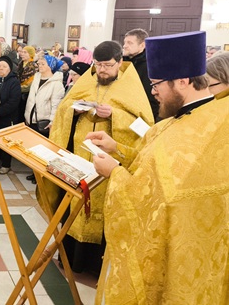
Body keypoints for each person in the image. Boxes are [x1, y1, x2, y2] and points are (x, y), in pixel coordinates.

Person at [87, 31, 229, 305]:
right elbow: (153, 166)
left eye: (156, 85)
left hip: (182, 258)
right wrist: (117, 149)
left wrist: (114, 173)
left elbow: (160, 200)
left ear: (183, 81)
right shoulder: (177, 120)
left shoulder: (210, 125)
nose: (153, 92)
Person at [48, 40, 154, 275]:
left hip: (108, 161)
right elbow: (64, 108)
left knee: (102, 208)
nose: (102, 70)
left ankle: (94, 265)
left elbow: (144, 126)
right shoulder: (88, 79)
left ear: (120, 62)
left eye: (107, 65)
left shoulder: (131, 86)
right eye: (98, 65)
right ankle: (71, 259)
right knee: (75, 203)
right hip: (79, 156)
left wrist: (115, 114)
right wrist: (74, 110)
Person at [123, 28, 160, 121]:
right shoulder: (122, 62)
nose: (125, 46)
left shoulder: (150, 65)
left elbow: (150, 96)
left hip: (142, 114)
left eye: (130, 43)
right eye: (125, 42)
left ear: (142, 45)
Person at [0, 56, 21, 175]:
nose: (1, 69)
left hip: (8, 116)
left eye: (4, 66)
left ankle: (6, 164)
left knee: (5, 141)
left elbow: (13, 101)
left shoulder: (14, 82)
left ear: (9, 68)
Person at [17, 45, 37, 123]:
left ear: (30, 54)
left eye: (25, 52)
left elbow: (30, 84)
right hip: (19, 93)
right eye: (22, 52)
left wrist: (17, 88)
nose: (22, 54)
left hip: (26, 94)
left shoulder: (33, 66)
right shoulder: (21, 64)